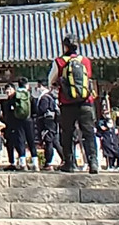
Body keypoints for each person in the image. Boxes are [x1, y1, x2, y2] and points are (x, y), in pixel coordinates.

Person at [48, 35, 99, 174]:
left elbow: (51, 80)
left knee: (67, 133)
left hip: (67, 103)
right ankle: (93, 162)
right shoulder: (85, 61)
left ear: (64, 46)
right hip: (86, 102)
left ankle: (69, 163)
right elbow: (88, 77)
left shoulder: (59, 61)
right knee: (88, 133)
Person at [34, 82, 60, 170]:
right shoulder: (51, 96)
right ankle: (65, 159)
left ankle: (48, 163)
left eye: (38, 86)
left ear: (41, 86)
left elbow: (42, 109)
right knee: (55, 141)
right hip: (52, 121)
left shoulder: (44, 97)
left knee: (48, 141)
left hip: (47, 122)